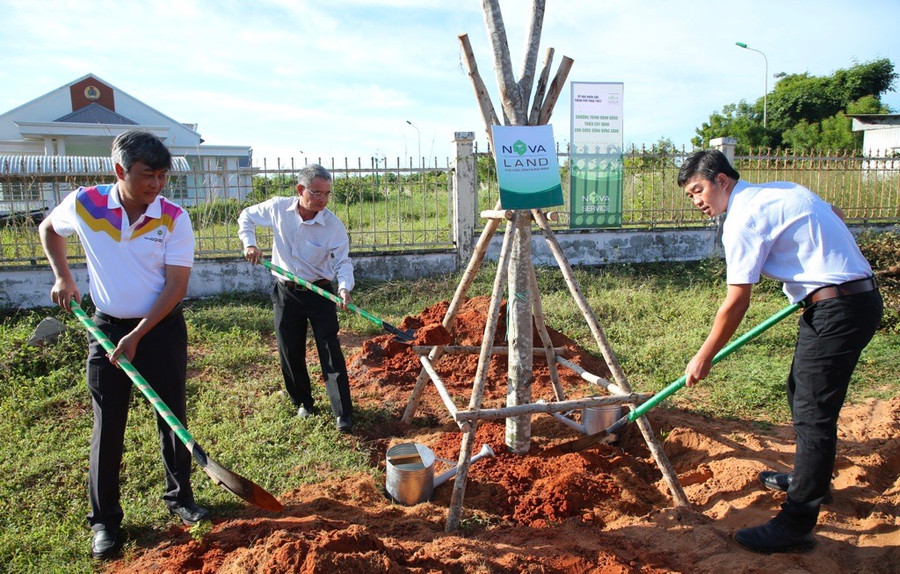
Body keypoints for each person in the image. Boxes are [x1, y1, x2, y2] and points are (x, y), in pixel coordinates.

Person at [678, 149, 883, 554]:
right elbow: (834, 213)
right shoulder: (781, 190)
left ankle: (796, 524)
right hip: (850, 299)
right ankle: (812, 480)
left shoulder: (740, 219)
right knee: (799, 392)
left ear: (722, 180)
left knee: (813, 414)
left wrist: (703, 355)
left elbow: (737, 301)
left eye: (699, 190)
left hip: (836, 308)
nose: (697, 201)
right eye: (689, 196)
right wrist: (814, 263)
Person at [38, 130, 208, 560]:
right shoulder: (85, 204)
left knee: (171, 414)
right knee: (108, 423)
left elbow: (176, 285)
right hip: (107, 329)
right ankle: (105, 523)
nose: (156, 185)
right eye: (146, 175)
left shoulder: (173, 217)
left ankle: (180, 497)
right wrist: (64, 276)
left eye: (162, 176)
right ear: (120, 171)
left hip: (161, 329)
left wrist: (139, 336)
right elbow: (49, 229)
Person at [239, 164, 355, 433]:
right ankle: (303, 402)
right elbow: (246, 216)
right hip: (286, 292)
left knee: (329, 350)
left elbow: (343, 262)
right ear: (300, 190)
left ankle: (342, 412)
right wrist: (250, 243)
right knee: (289, 349)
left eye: (327, 194)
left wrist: (344, 289)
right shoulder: (279, 209)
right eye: (316, 193)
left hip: (321, 292)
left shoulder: (333, 226)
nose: (322, 200)